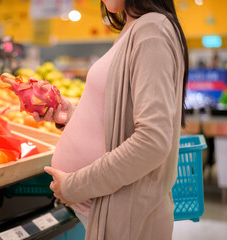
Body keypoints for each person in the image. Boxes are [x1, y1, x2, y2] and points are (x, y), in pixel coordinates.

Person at [33, 0, 189, 239]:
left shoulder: (152, 30)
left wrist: (76, 186)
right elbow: (121, 118)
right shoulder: (134, 28)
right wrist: (72, 116)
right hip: (109, 210)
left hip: (126, 217)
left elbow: (152, 141)